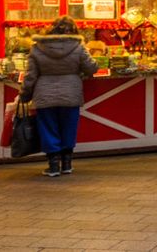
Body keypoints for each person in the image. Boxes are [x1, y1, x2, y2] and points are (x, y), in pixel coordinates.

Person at [19, 16, 98, 177]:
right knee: (69, 127)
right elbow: (91, 68)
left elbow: (30, 76)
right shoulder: (78, 47)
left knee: (48, 128)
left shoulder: (37, 47)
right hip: (71, 93)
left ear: (51, 29)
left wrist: (25, 94)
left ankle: (53, 165)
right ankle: (67, 163)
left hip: (44, 94)